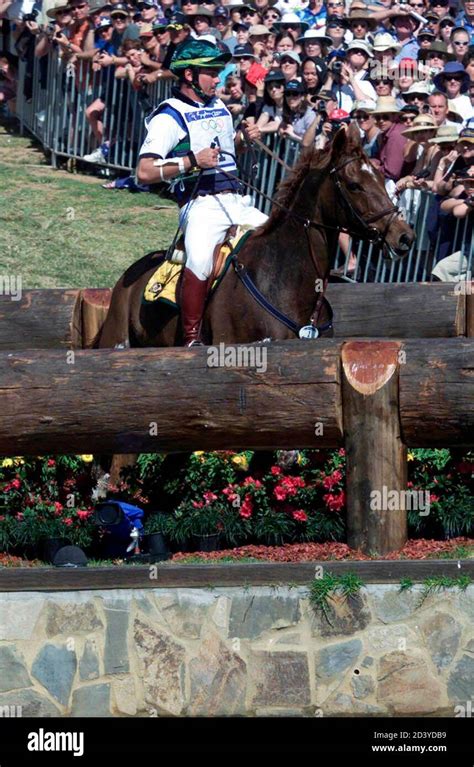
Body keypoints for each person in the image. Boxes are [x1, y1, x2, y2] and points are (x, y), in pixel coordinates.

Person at [136, 38, 267, 347]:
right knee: (199, 260)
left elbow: (227, 150)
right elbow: (144, 171)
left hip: (235, 200)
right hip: (200, 205)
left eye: (219, 71)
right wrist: (191, 161)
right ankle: (191, 339)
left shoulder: (219, 106)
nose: (218, 78)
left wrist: (244, 140)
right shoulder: (169, 116)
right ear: (190, 75)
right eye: (211, 72)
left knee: (277, 237)